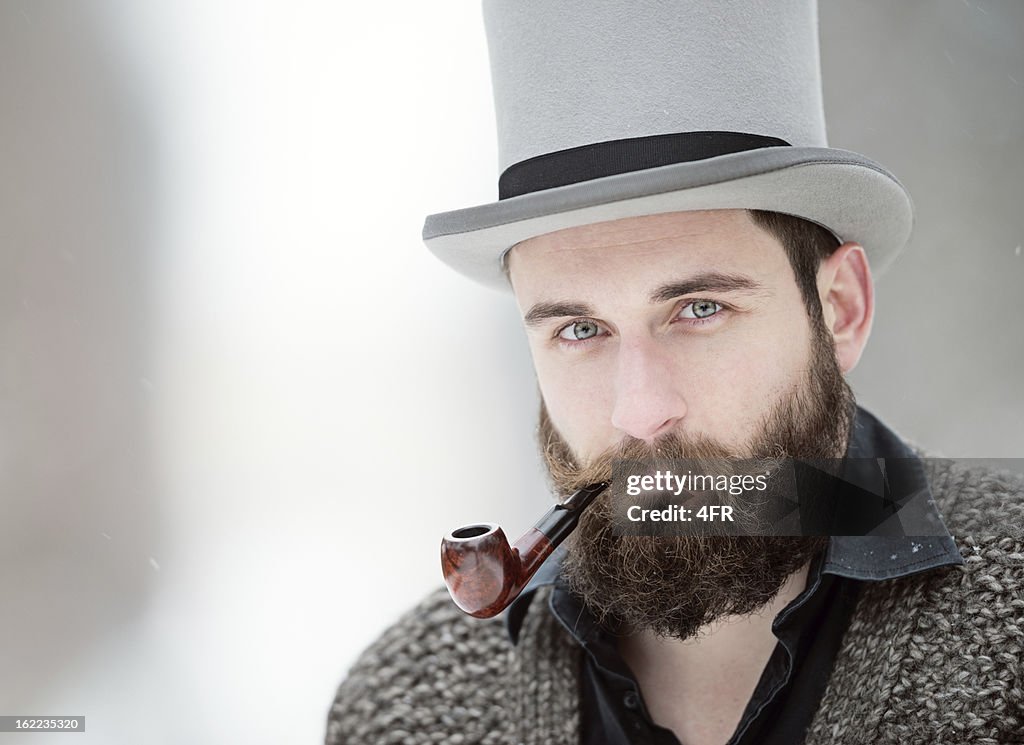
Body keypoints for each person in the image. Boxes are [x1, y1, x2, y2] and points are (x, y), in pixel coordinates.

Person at [326, 1, 1024, 743]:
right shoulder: (405, 703)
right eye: (581, 328)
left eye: (699, 309)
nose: (640, 410)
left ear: (840, 308)